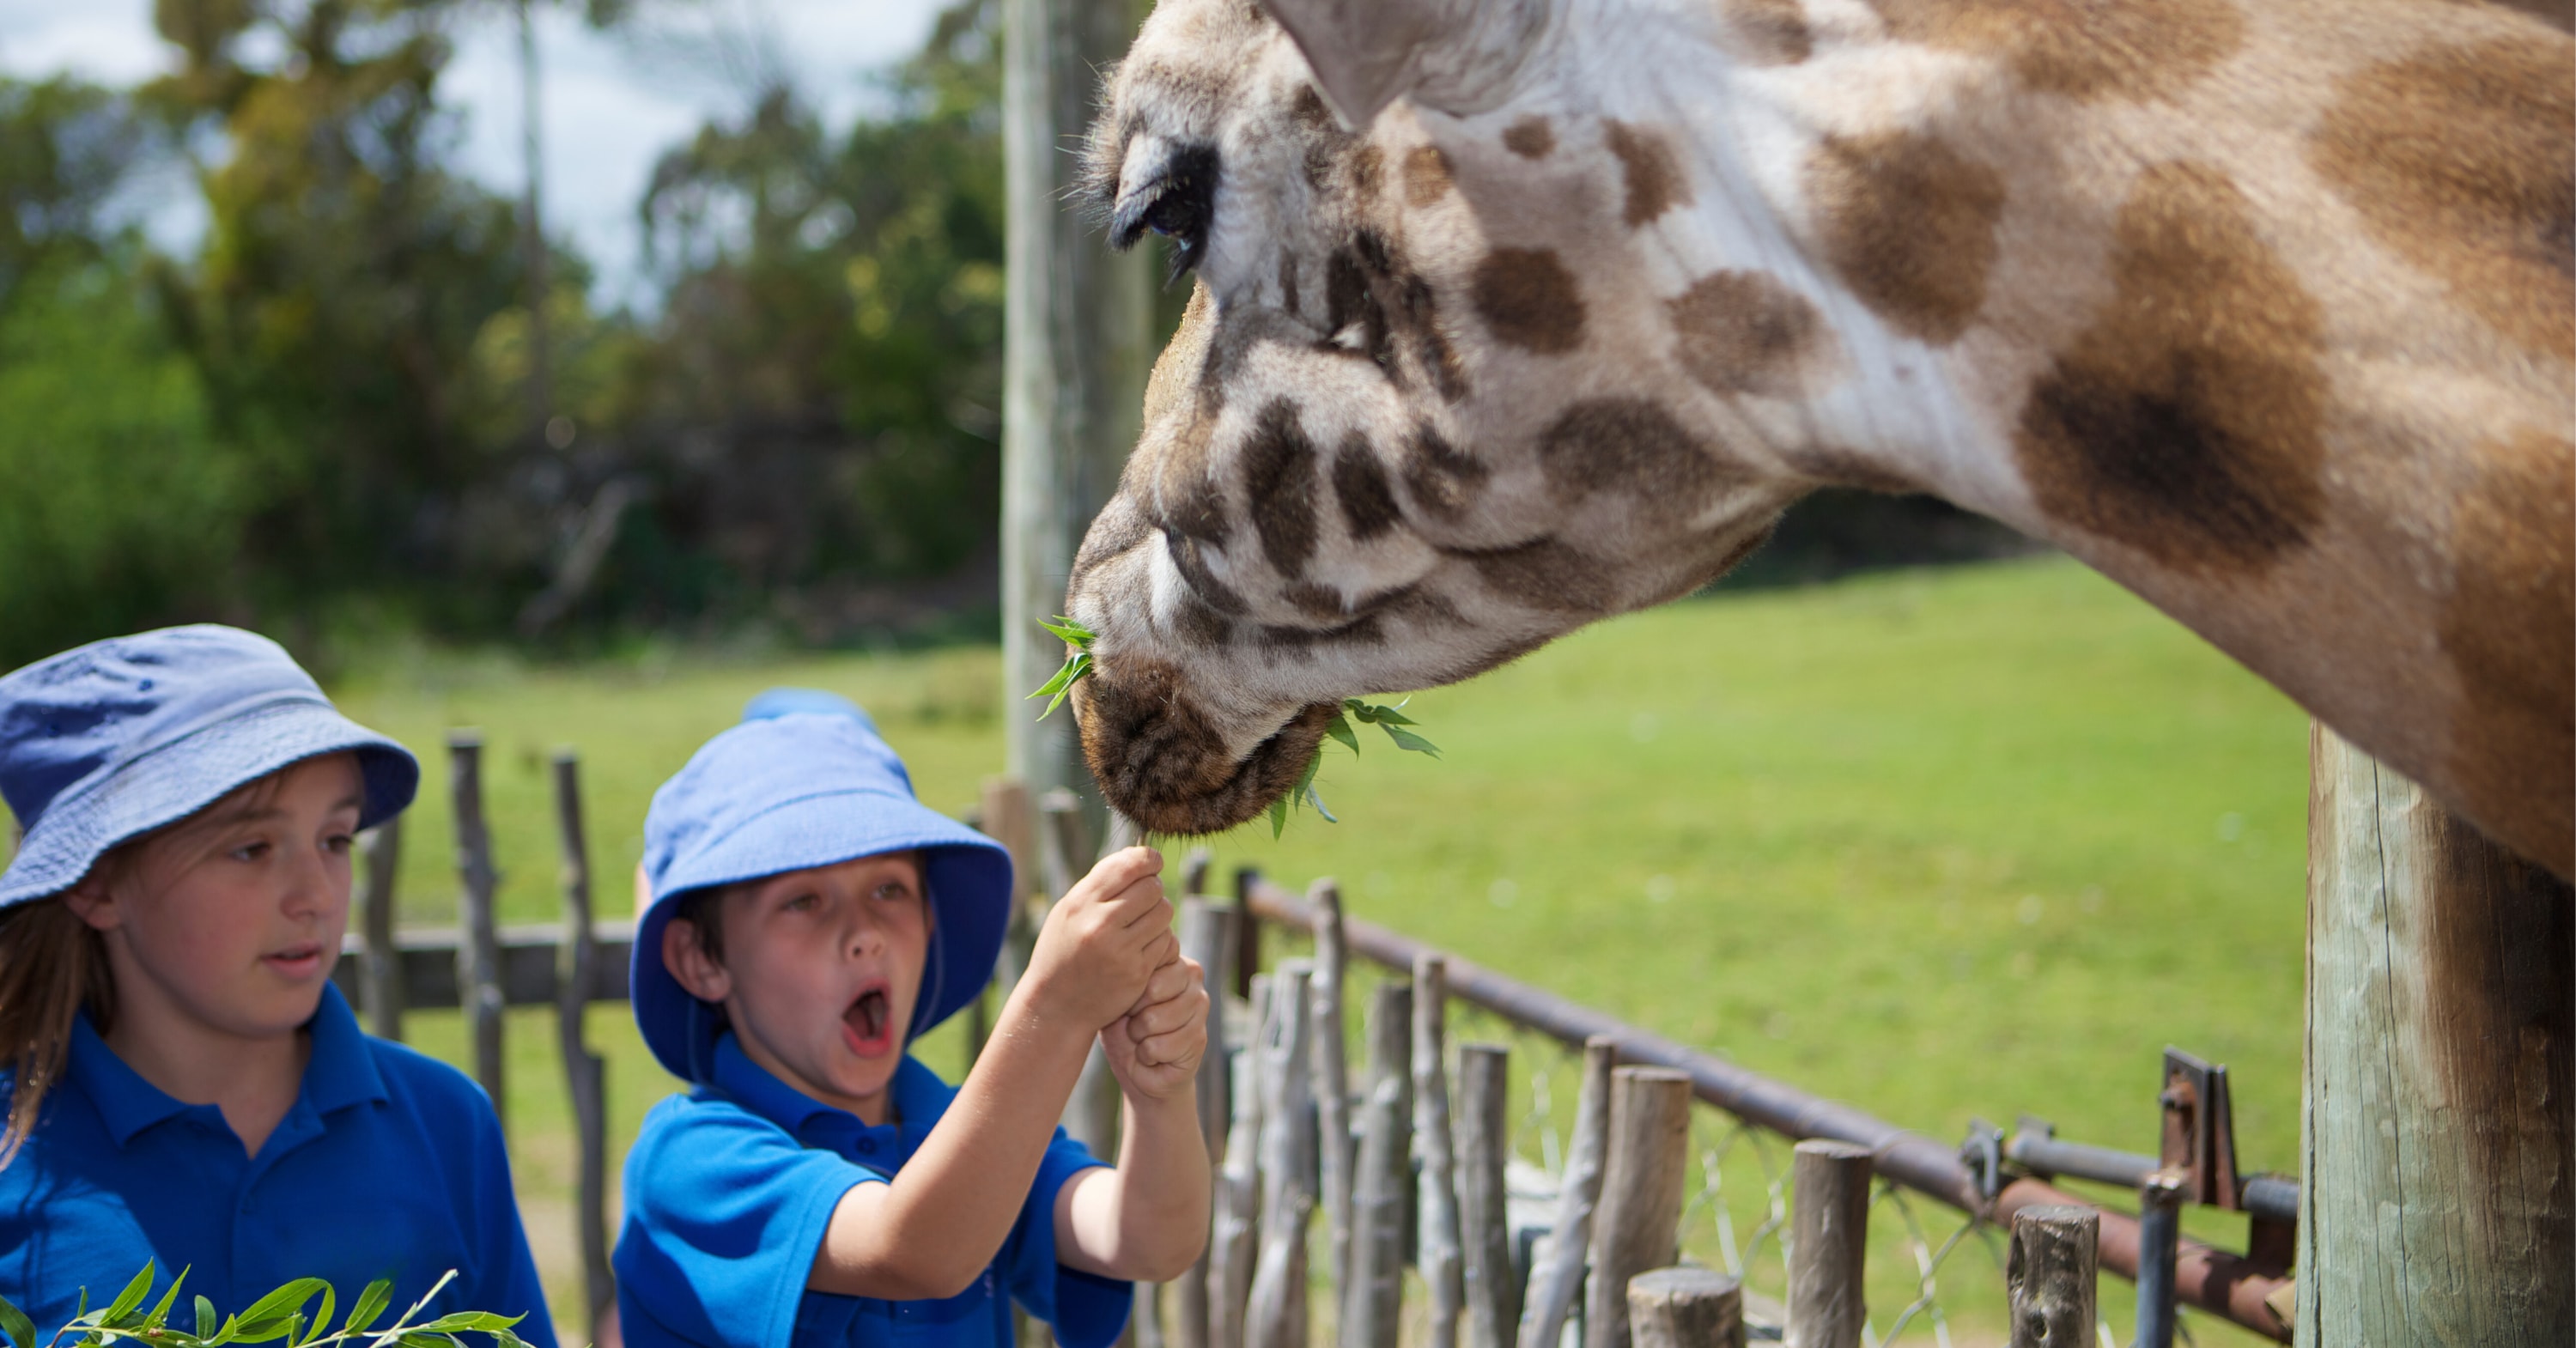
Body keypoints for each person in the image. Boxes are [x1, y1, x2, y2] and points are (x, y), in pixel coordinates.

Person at [0, 626, 556, 1343]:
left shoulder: (445, 1123)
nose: (315, 895)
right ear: (99, 885)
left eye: (336, 840)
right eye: (251, 848)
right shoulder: (16, 1158)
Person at [615, 691, 1210, 1348]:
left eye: (888, 889)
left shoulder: (960, 1133)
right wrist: (1054, 1010)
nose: (863, 932)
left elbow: (1148, 1241)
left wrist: (1159, 1098)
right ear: (701, 958)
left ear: (930, 921)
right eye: (804, 900)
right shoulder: (691, 1161)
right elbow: (915, 1250)